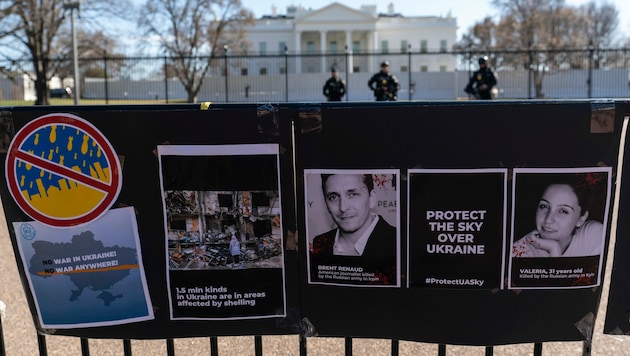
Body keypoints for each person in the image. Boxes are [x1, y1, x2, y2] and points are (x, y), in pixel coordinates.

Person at [310, 173, 397, 285]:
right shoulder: (320, 242)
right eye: (333, 197)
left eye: (352, 194)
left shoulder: (398, 242)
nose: (343, 207)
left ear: (371, 198)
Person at [512, 175, 606, 258]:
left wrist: (554, 250)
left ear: (581, 219)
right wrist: (554, 249)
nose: (548, 220)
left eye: (563, 211)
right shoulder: (519, 251)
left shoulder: (593, 234)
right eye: (544, 206)